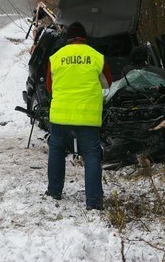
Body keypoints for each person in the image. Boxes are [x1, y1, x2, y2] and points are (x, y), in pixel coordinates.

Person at [44, 21, 112, 210]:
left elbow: (49, 86)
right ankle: (94, 202)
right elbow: (107, 83)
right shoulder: (96, 57)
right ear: (84, 38)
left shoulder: (56, 58)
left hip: (60, 116)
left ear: (68, 39)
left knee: (57, 151)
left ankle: (54, 191)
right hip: (87, 117)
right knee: (91, 156)